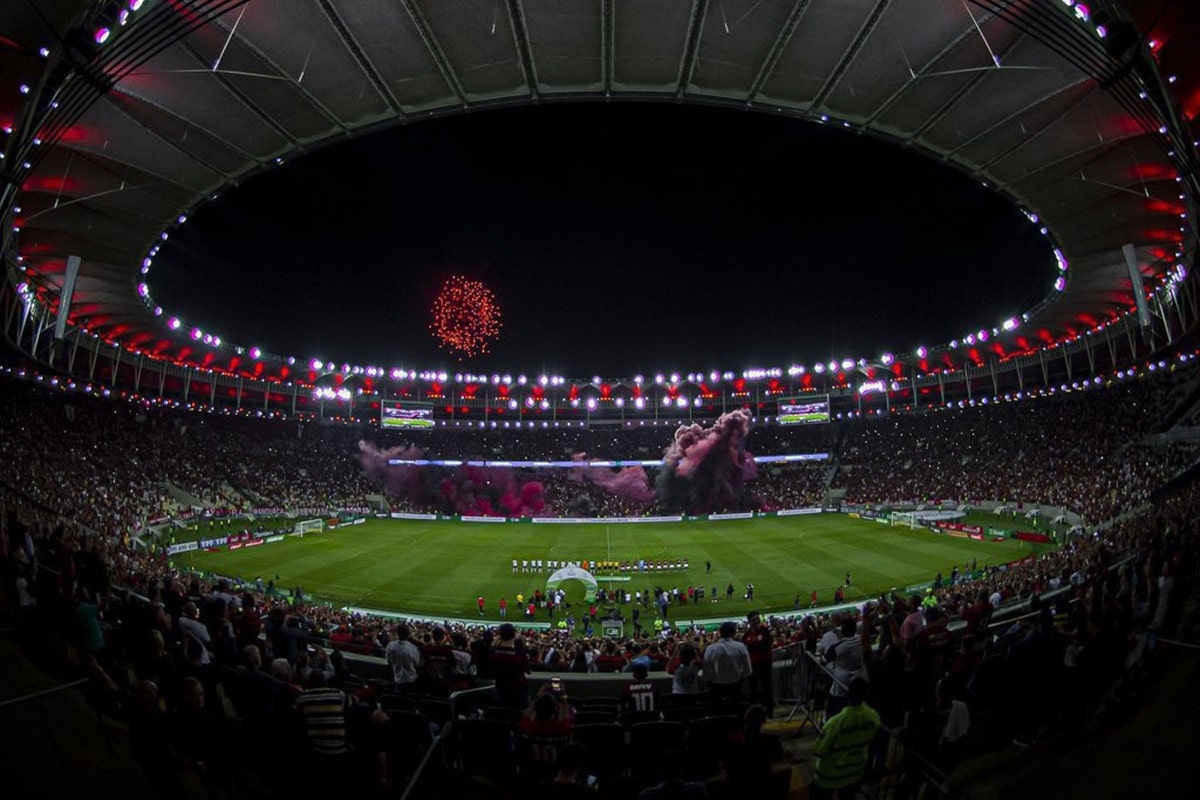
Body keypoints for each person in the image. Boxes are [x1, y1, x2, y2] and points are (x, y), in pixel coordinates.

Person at [811, 678, 881, 799]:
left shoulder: (835, 722)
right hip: (854, 773)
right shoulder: (873, 717)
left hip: (829, 775)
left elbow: (819, 750)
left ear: (848, 694)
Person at [702, 620, 751, 708]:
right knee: (736, 710)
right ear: (734, 632)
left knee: (718, 712)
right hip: (735, 684)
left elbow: (706, 672)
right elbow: (748, 670)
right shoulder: (740, 647)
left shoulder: (710, 648)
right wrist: (738, 677)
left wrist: (712, 680)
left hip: (716, 686)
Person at [743, 611, 774, 715]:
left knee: (767, 687)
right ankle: (754, 712)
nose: (757, 621)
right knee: (753, 689)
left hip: (764, 663)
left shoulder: (765, 631)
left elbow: (766, 645)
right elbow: (745, 649)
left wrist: (752, 647)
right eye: (754, 619)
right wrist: (756, 646)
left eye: (758, 619)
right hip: (752, 665)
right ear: (749, 622)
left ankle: (769, 711)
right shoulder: (746, 635)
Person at [385, 622, 422, 692]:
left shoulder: (390, 645)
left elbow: (389, 660)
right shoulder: (412, 648)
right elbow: (417, 664)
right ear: (408, 634)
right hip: (410, 680)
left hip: (396, 677)